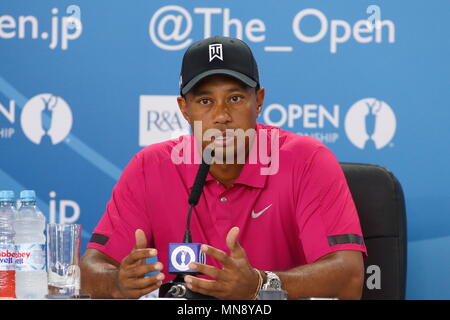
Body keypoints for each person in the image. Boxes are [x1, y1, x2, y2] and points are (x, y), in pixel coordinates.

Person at [80, 36, 367, 300]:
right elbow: (90, 270)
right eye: (205, 101)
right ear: (184, 109)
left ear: (259, 101)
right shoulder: (149, 166)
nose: (221, 116)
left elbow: (349, 277)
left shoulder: (306, 160)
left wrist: (259, 284)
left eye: (235, 98)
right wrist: (117, 281)